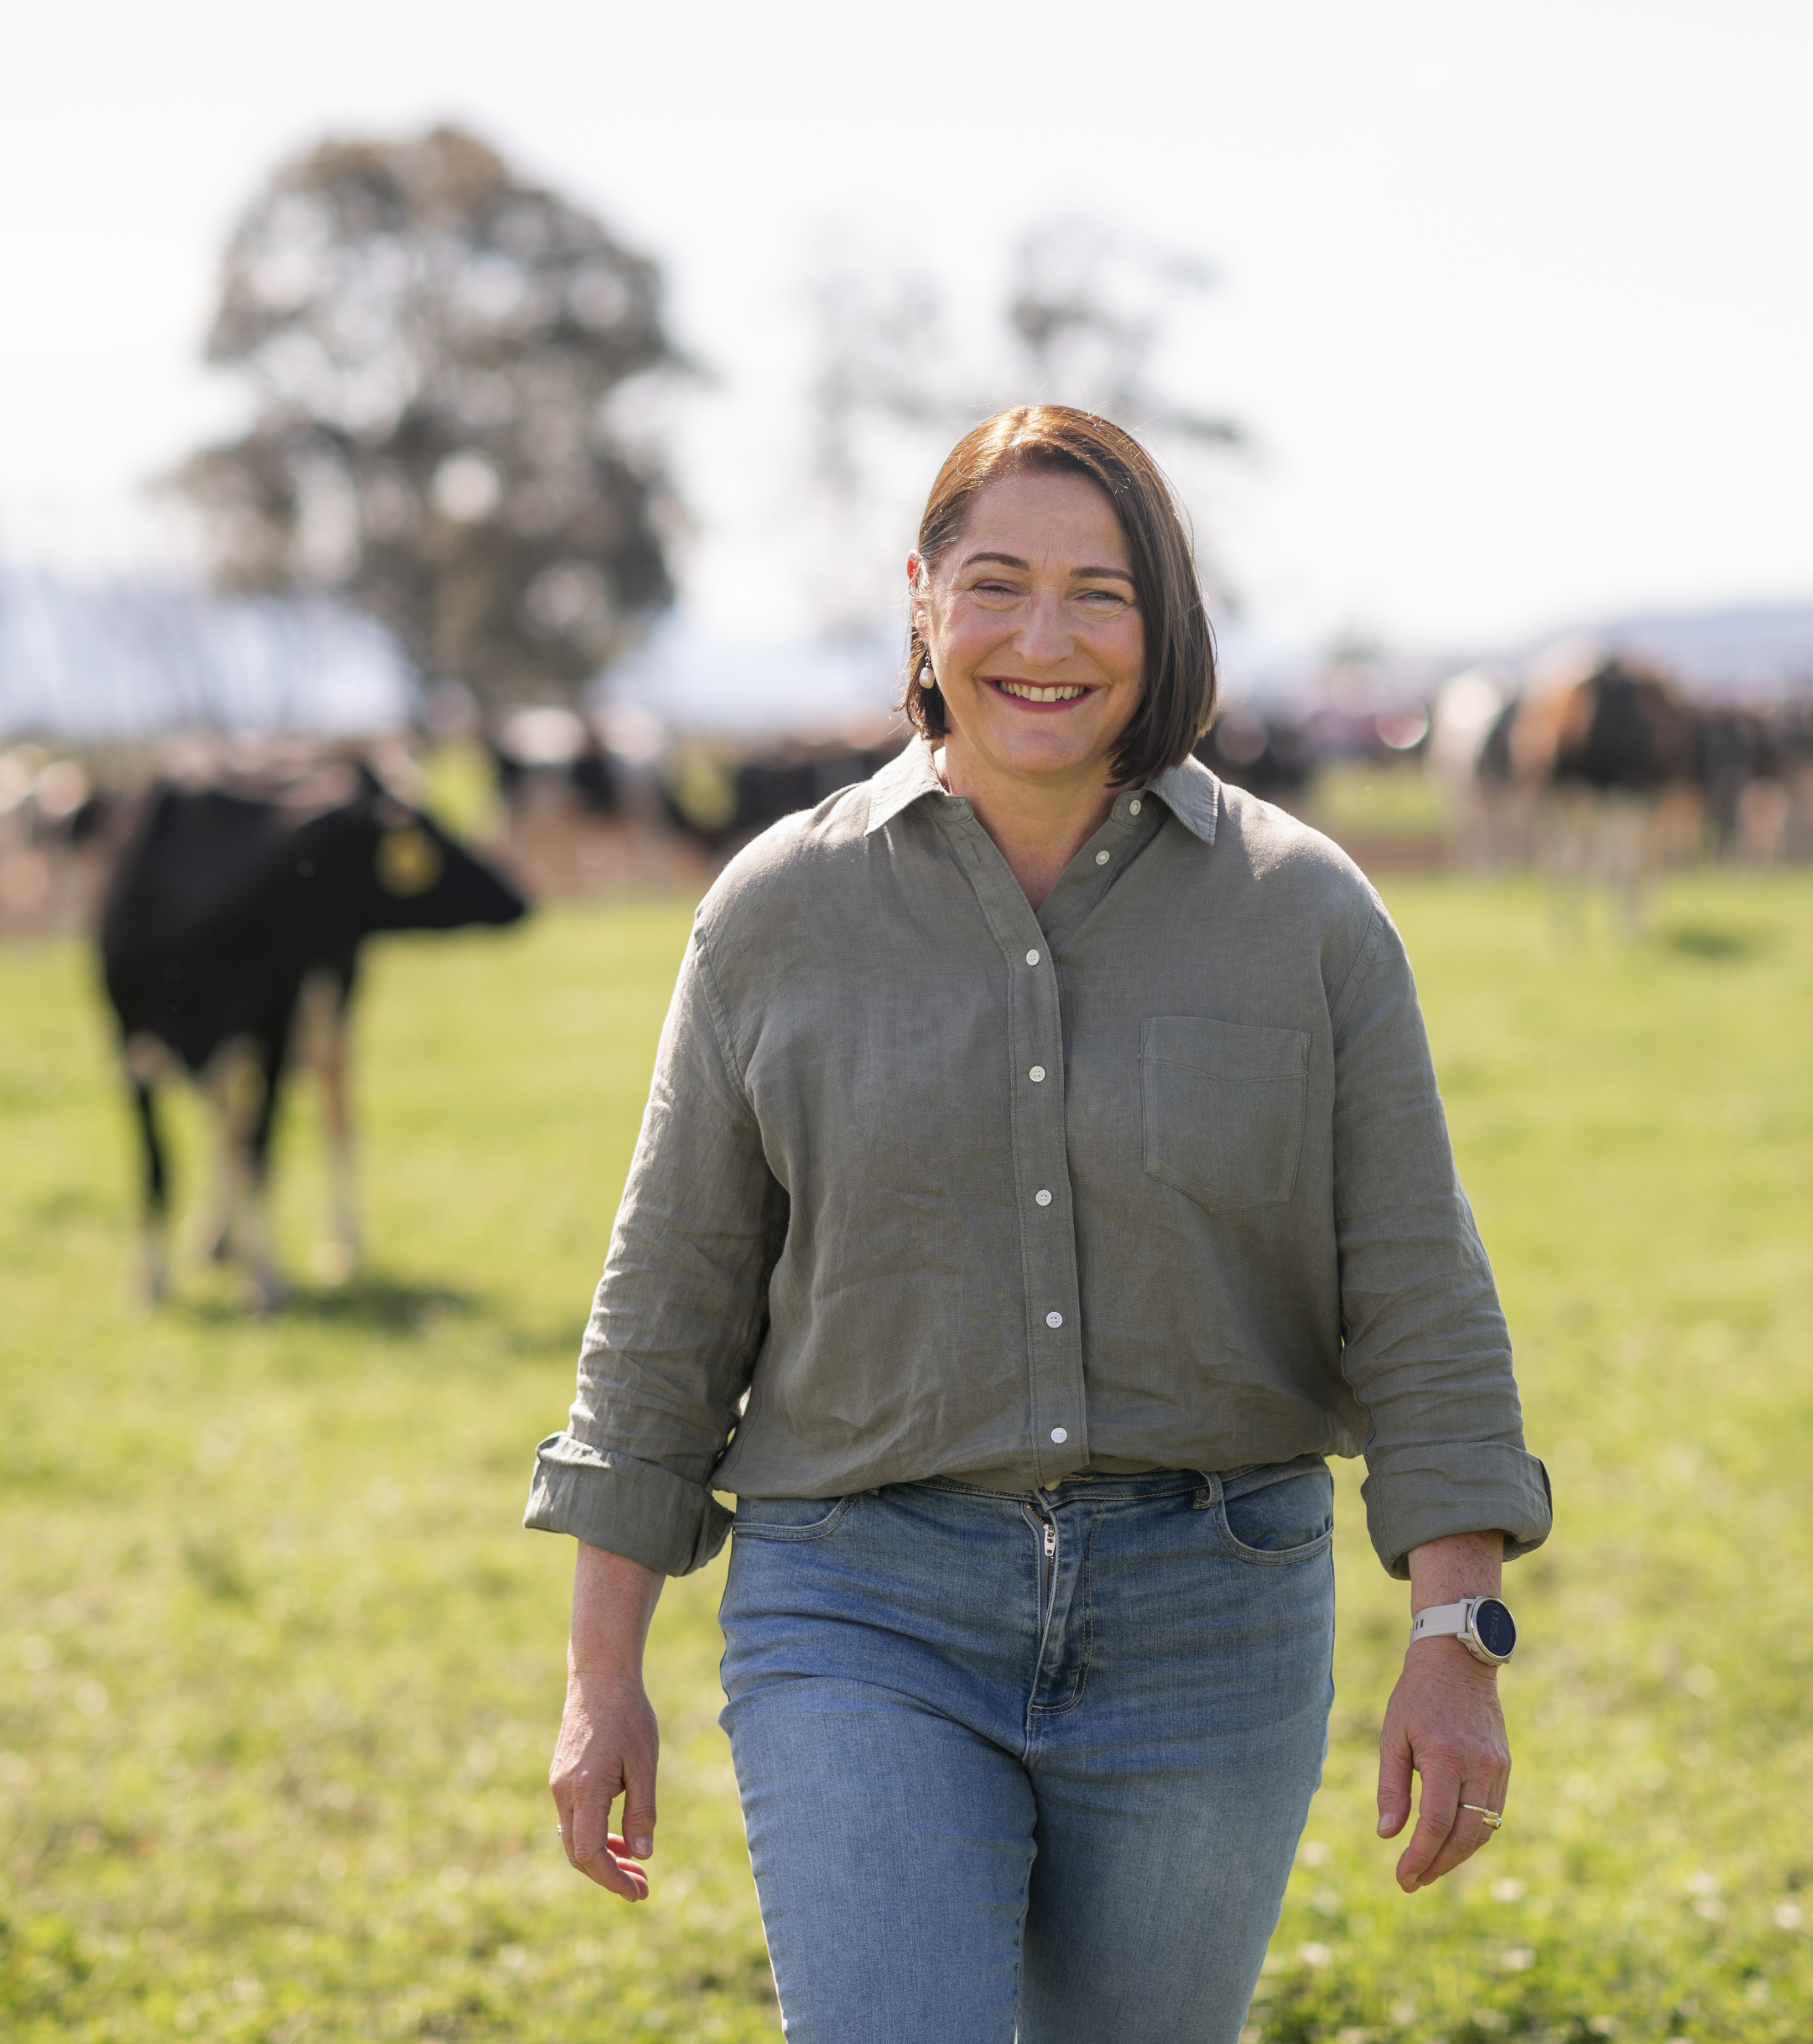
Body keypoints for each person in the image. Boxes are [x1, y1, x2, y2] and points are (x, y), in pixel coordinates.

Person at [529, 405, 1551, 2042]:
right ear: (922, 597)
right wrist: (600, 1680)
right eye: (996, 584)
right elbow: (668, 1306)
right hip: (861, 1605)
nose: (1044, 641)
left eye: (1102, 595)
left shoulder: (1306, 917)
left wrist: (1457, 1637)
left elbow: (1420, 1294)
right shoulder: (776, 915)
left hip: (1212, 1621)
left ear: (1165, 623)